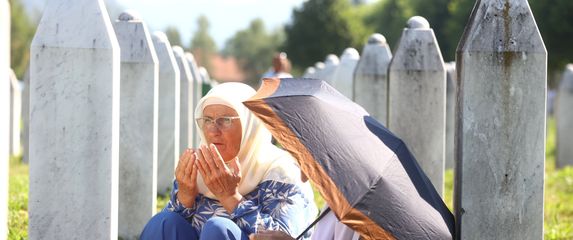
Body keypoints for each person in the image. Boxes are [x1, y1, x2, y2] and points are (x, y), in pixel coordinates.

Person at [140, 82, 317, 240]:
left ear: (250, 124)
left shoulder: (282, 172)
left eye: (225, 120)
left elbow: (286, 236)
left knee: (220, 229)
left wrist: (231, 197)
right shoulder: (198, 167)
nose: (213, 131)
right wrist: (184, 197)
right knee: (163, 222)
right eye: (207, 120)